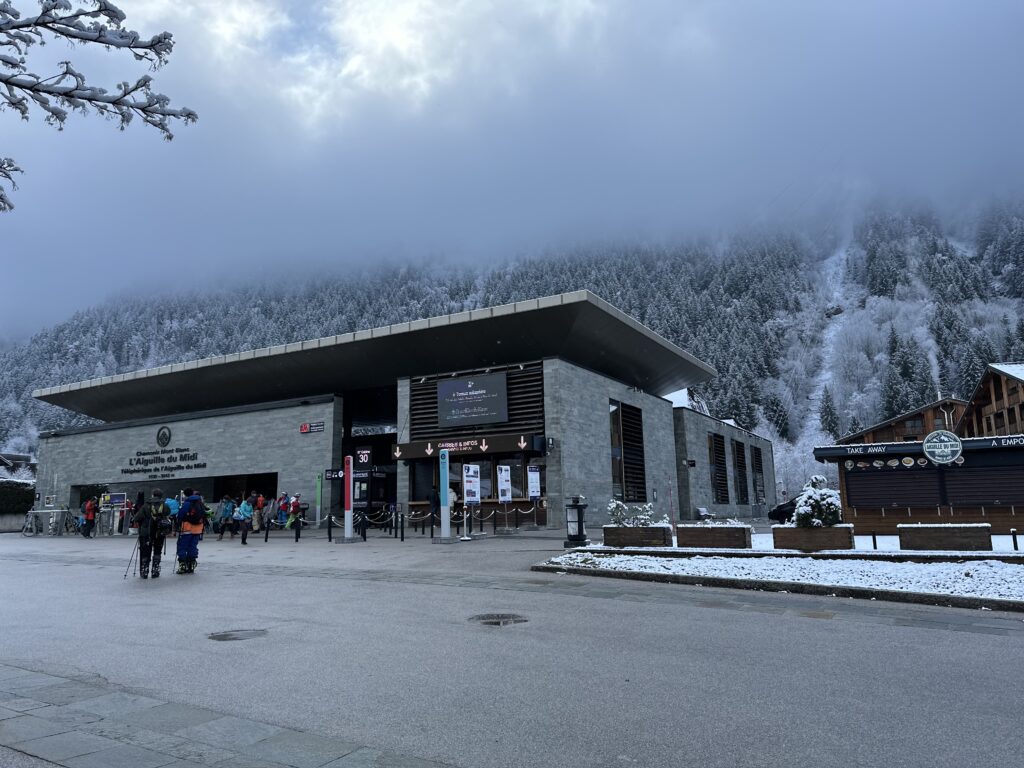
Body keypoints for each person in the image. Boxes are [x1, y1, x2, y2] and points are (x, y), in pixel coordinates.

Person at [132, 488, 170, 578]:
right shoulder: (164, 505)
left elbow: (136, 518)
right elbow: (168, 513)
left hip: (147, 532)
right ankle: (155, 570)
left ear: (153, 495)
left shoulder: (146, 505)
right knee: (157, 550)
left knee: (146, 551)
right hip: (160, 531)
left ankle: (144, 571)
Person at [175, 488, 205, 574]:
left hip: (187, 528)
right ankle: (191, 564)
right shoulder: (200, 502)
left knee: (182, 546)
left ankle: (182, 565)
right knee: (193, 546)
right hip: (198, 528)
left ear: (185, 494)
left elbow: (180, 515)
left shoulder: (187, 503)